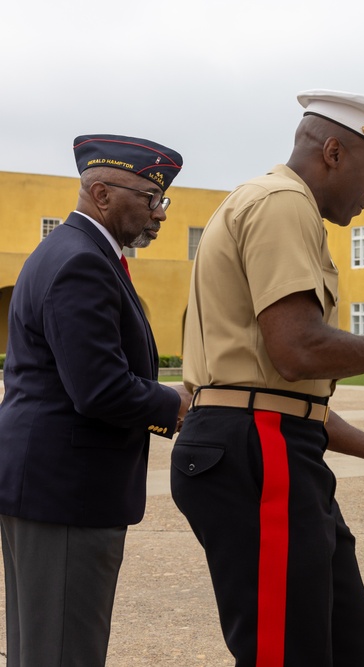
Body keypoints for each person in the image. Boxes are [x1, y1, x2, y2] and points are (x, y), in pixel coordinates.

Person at [172, 89, 364, 667]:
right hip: (257, 446)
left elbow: (286, 390)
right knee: (285, 651)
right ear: (335, 152)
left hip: (267, 435)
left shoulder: (274, 205)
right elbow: (297, 352)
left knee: (343, 635)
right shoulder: (281, 204)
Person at [0, 134, 191, 666]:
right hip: (65, 492)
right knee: (63, 651)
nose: (160, 214)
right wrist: (178, 406)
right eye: (150, 198)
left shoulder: (74, 251)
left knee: (44, 647)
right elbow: (100, 388)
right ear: (101, 194)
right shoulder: (81, 261)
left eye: (162, 201)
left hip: (49, 487)